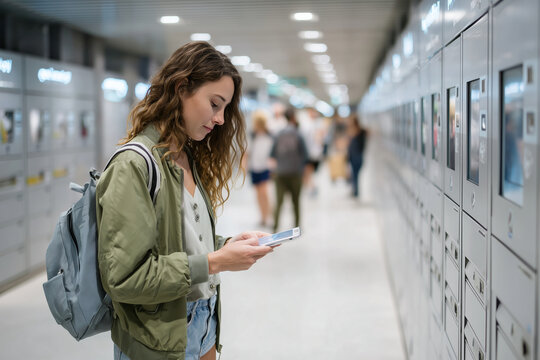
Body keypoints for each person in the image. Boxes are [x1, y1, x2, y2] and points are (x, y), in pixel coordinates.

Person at [96, 41, 274, 360]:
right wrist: (216, 262)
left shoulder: (185, 156)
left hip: (203, 320)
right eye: (215, 104)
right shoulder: (134, 166)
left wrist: (230, 244)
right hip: (157, 338)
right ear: (181, 88)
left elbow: (182, 241)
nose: (220, 119)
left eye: (225, 108)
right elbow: (125, 278)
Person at [270, 107, 308, 232]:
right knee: (296, 201)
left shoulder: (279, 134)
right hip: (295, 173)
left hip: (280, 173)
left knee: (279, 201)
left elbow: (272, 154)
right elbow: (305, 155)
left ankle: (275, 226)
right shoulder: (298, 134)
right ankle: (296, 227)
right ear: (293, 117)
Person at [246, 110, 274, 227]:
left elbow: (273, 152)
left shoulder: (270, 135)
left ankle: (268, 216)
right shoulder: (252, 135)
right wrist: (245, 167)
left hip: (265, 167)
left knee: (264, 192)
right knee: (258, 193)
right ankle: (262, 216)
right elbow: (246, 152)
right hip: (254, 167)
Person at [347, 116, 368, 198]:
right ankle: (355, 191)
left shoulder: (357, 132)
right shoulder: (359, 131)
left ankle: (355, 191)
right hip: (355, 156)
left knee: (355, 175)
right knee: (355, 175)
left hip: (357, 157)